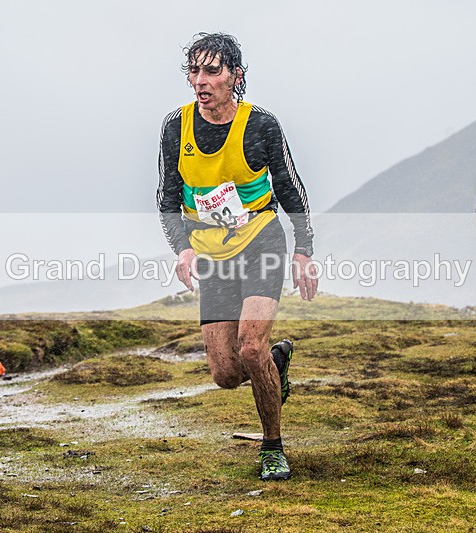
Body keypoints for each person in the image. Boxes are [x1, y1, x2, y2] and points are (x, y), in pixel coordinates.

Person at [156, 32, 317, 480]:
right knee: (226, 373)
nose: (200, 81)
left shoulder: (261, 126)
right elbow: (167, 196)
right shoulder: (176, 126)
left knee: (250, 346)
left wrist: (303, 252)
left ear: (235, 76)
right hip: (211, 255)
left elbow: (290, 190)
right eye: (194, 71)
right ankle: (275, 362)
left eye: (212, 71)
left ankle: (272, 446)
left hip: (262, 243)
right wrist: (183, 248)